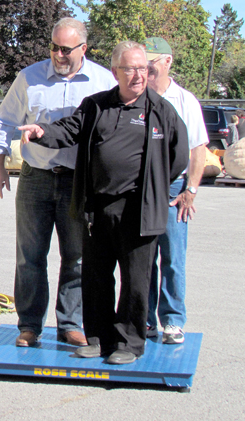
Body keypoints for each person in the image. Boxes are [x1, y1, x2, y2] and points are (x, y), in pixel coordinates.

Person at [19, 41, 189, 364]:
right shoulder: (96, 106)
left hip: (139, 211)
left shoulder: (161, 111)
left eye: (143, 68)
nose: (139, 75)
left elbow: (178, 154)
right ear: (115, 73)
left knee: (135, 281)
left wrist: (154, 183)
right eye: (130, 69)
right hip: (98, 209)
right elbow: (70, 130)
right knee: (96, 276)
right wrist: (42, 132)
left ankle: (129, 343)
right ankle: (98, 337)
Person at [0, 18, 117, 348]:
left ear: (83, 49)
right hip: (36, 178)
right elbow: (4, 119)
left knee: (76, 257)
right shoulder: (29, 78)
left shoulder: (103, 81)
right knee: (29, 256)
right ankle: (29, 325)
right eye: (54, 47)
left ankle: (70, 323)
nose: (59, 54)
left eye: (66, 49)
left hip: (78, 182)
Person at [144, 37, 209, 344]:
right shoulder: (135, 97)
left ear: (167, 62)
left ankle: (172, 321)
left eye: (151, 64)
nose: (145, 70)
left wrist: (190, 190)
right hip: (140, 186)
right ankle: (143, 320)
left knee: (172, 257)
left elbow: (199, 149)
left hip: (173, 185)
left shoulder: (185, 101)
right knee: (143, 257)